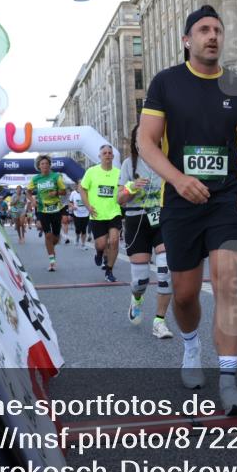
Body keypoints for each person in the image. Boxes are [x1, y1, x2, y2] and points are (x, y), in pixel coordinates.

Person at [137, 4, 237, 416]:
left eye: (218, 30)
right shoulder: (166, 83)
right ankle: (191, 347)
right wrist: (177, 179)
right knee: (185, 294)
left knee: (228, 284)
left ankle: (229, 382)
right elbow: (145, 141)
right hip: (180, 202)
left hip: (226, 199)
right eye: (204, 30)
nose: (212, 36)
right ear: (187, 40)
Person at [118, 124, 174, 338]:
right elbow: (120, 199)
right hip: (137, 220)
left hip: (163, 218)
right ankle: (137, 298)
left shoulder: (167, 159)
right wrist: (131, 187)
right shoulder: (129, 164)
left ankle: (159, 321)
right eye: (140, 138)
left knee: (165, 270)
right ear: (135, 142)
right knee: (140, 281)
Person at [79, 144, 122, 283]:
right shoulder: (91, 172)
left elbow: (124, 189)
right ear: (100, 156)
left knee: (114, 241)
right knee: (101, 245)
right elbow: (82, 189)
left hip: (114, 212)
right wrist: (88, 206)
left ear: (113, 156)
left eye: (110, 153)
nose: (107, 155)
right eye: (105, 153)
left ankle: (109, 270)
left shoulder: (119, 173)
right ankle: (99, 253)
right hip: (97, 214)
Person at [27, 155, 67, 271]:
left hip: (56, 209)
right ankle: (52, 262)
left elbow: (64, 191)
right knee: (48, 235)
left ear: (49, 165)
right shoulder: (35, 179)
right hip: (42, 209)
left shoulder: (56, 176)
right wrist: (33, 200)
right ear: (39, 166)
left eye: (46, 164)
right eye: (42, 164)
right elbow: (28, 192)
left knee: (55, 238)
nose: (44, 165)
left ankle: (51, 243)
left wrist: (56, 193)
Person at [69, 184, 91, 249]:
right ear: (77, 186)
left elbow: (91, 201)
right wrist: (73, 206)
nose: (82, 186)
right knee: (78, 229)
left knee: (84, 229)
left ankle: (83, 244)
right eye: (80, 185)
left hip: (86, 213)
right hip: (77, 214)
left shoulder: (88, 192)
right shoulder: (73, 193)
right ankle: (77, 237)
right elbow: (70, 202)